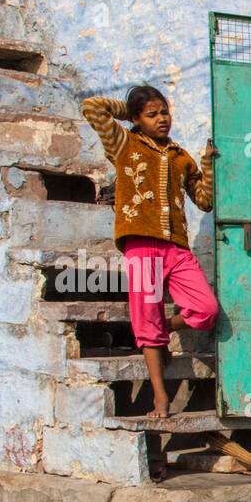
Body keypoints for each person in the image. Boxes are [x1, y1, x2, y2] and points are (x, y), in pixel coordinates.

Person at [82, 86, 219, 419]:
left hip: (175, 246)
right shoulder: (123, 143)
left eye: (165, 112)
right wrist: (126, 108)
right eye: (152, 114)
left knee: (206, 309)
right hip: (141, 243)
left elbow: (204, 200)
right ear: (136, 119)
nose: (162, 120)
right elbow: (92, 106)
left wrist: (207, 165)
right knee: (146, 317)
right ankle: (160, 397)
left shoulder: (180, 156)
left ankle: (164, 328)